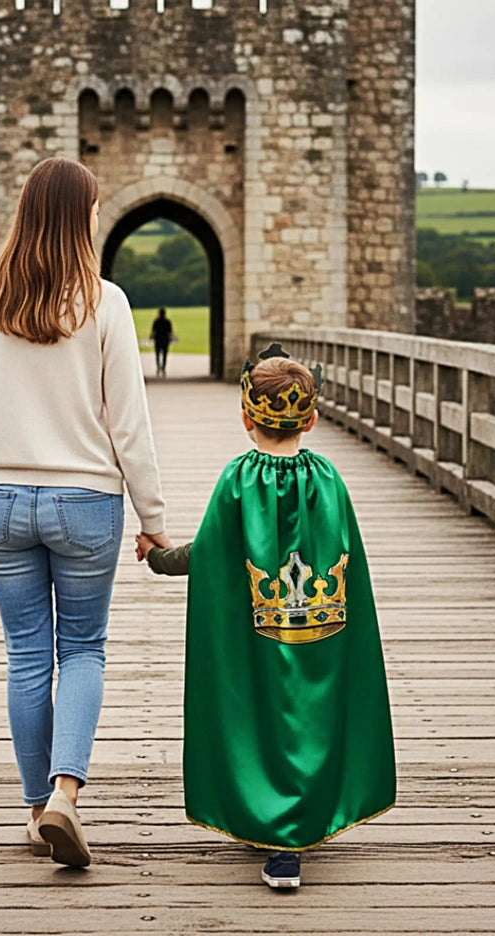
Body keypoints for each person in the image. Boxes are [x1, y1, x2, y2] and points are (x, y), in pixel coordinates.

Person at [0, 157, 171, 868]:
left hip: (4, 500)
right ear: (82, 218)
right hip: (86, 502)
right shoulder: (106, 303)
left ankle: (31, 808)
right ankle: (66, 798)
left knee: (25, 655)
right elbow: (128, 424)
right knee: (81, 648)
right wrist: (154, 516)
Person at [135, 344, 395, 890]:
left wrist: (158, 558)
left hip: (255, 627)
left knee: (257, 710)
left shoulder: (238, 479)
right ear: (314, 418)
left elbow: (206, 554)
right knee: (309, 710)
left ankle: (278, 836)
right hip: (318, 629)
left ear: (247, 417)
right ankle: (303, 819)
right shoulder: (329, 479)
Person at [149, 307, 174, 377]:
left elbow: (153, 331)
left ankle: (158, 367)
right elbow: (170, 332)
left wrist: (151, 337)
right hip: (165, 340)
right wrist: (171, 338)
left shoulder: (156, 321)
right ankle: (163, 368)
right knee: (164, 355)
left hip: (158, 340)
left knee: (157, 355)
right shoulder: (167, 322)